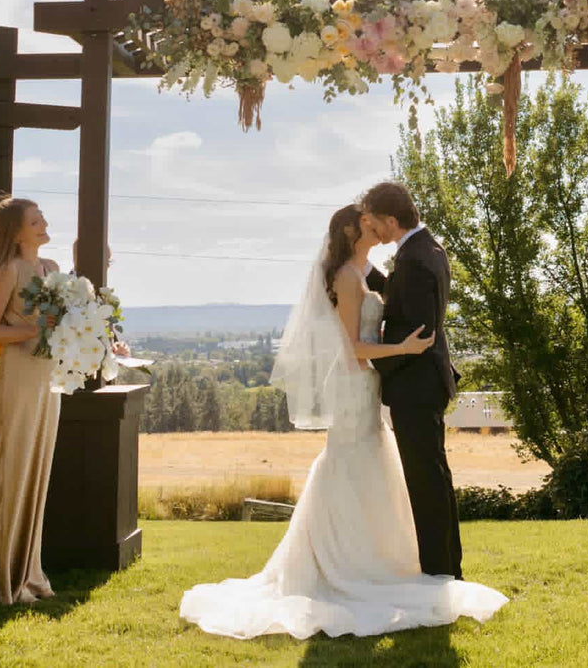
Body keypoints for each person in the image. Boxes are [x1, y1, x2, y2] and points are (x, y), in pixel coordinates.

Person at [179, 203, 507, 639]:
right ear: (354, 232)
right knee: (351, 467)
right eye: (366, 224)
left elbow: (387, 296)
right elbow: (353, 347)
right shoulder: (347, 279)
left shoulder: (362, 270)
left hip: (366, 390)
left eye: (375, 220)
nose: (374, 227)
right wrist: (403, 351)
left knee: (370, 472)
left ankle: (374, 559)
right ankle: (345, 563)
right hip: (356, 387)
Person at [361, 180, 462, 580]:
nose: (376, 232)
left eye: (376, 224)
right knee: (434, 477)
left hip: (416, 387)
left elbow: (415, 334)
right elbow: (402, 299)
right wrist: (365, 273)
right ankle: (448, 569)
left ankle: (440, 574)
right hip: (424, 384)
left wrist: (371, 360)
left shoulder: (416, 259)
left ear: (390, 219)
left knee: (426, 483)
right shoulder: (425, 250)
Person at [0, 197, 62, 605]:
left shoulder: (53, 270)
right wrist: (32, 330)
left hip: (48, 381)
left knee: (34, 472)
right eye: (35, 221)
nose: (43, 225)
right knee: (10, 471)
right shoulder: (9, 270)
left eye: (42, 219)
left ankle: (27, 572)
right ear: (16, 232)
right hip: (17, 378)